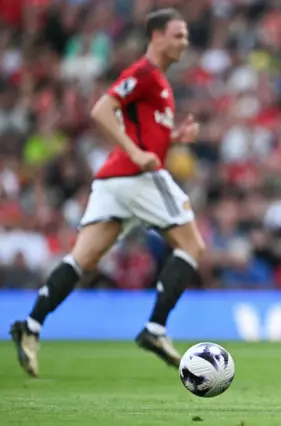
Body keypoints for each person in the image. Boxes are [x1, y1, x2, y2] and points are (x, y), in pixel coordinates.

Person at [10, 8, 205, 377]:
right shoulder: (145, 73)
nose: (185, 42)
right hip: (135, 175)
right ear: (157, 36)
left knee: (83, 258)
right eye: (178, 35)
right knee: (193, 245)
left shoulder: (161, 83)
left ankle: (31, 324)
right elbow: (102, 108)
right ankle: (155, 328)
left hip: (113, 181)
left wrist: (173, 138)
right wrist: (135, 152)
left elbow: (144, 133)